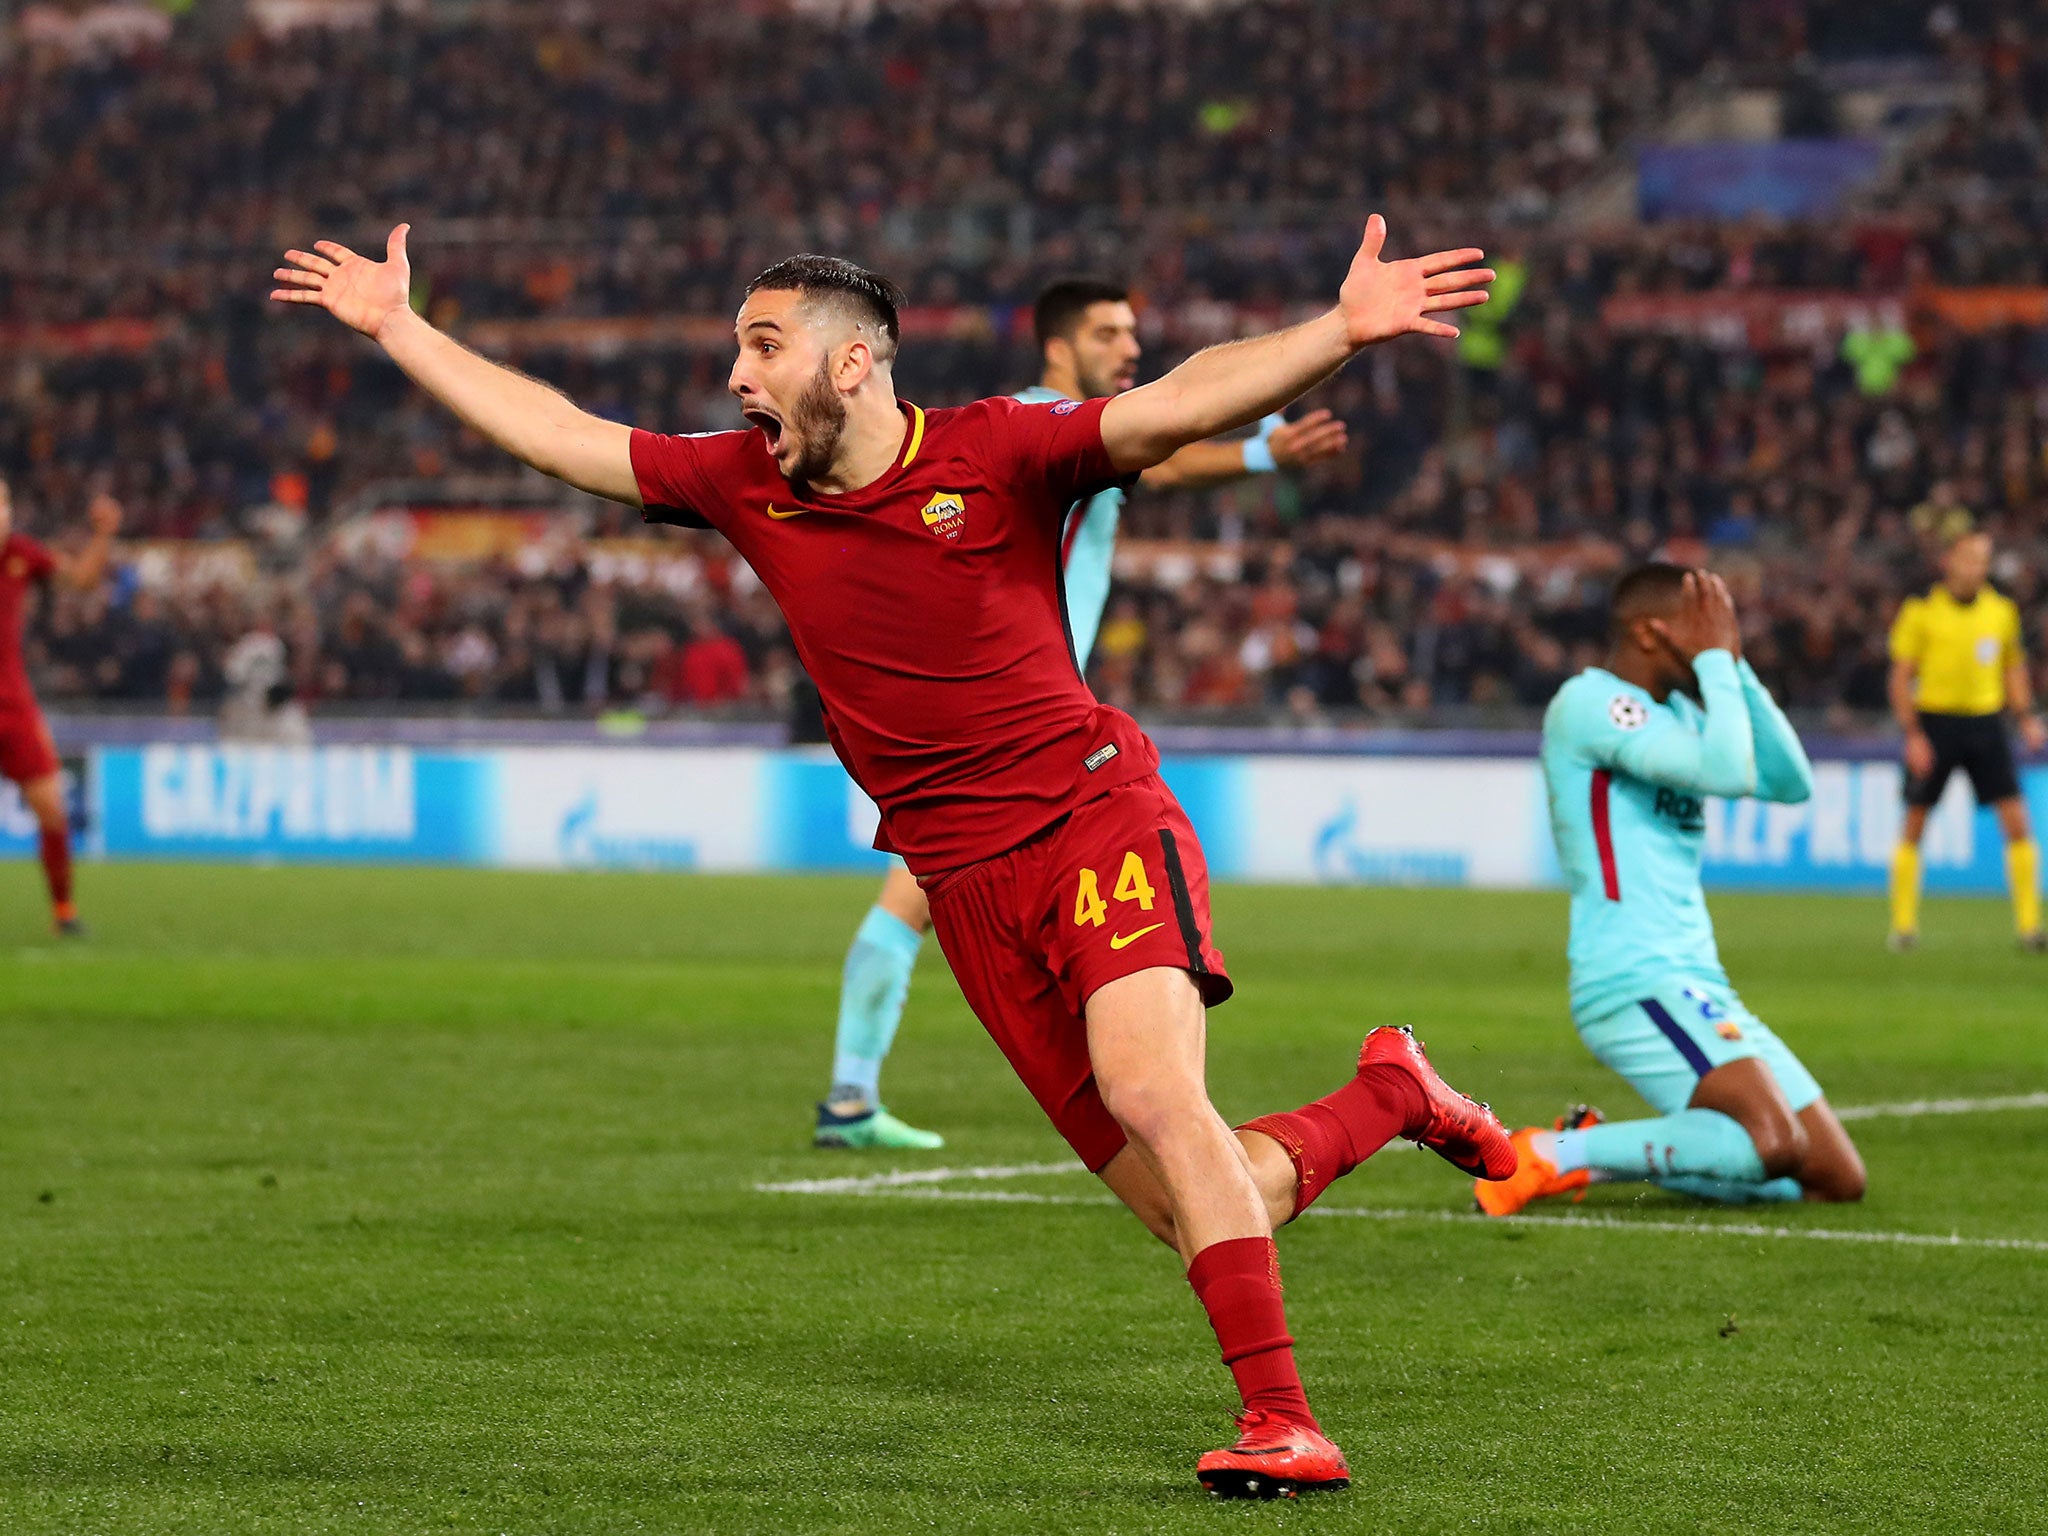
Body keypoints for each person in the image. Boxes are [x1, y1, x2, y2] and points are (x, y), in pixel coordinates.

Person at [273, 216, 1511, 1497]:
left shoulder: (996, 449)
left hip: (1090, 817)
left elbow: (1170, 404)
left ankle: (1282, 1422)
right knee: (1190, 1198)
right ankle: (1392, 1095)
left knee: (1152, 1091)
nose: (739, 378)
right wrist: (398, 327)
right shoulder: (738, 482)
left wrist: (1338, 331)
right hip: (961, 884)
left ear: (853, 362)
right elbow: (568, 438)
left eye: (763, 347)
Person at [817, 276, 1347, 1151]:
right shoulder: (1031, 421)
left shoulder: (1064, 433)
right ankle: (849, 1097)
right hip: (994, 727)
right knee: (913, 900)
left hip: (1012, 722)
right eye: (1110, 334)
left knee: (913, 900)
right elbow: (1164, 449)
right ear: (1060, 346)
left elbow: (1155, 459)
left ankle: (852, 1096)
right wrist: (1262, 456)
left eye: (1134, 333)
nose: (1130, 349)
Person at [1480, 565, 1866, 1216]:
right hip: (1634, 976)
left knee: (1833, 1176)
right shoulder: (1591, 703)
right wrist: (1716, 664)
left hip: (1697, 981)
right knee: (1771, 1144)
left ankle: (1596, 1148)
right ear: (1649, 633)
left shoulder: (1681, 709)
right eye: (1705, 630)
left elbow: (1790, 781)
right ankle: (1551, 1154)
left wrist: (1733, 667)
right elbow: (1725, 769)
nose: (1720, 641)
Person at [1885, 530, 2046, 952]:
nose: (1978, 567)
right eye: (1970, 558)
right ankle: (1903, 927)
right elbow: (1900, 677)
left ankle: (2030, 928)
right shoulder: (1922, 611)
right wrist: (1913, 734)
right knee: (1915, 823)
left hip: (1986, 723)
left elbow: (2013, 667)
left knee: (2017, 823)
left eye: (1983, 559)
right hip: (1935, 723)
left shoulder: (2001, 611)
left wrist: (2026, 718)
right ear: (1949, 562)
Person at [0, 480, 120, 935]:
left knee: (51, 808)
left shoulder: (21, 554)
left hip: (12, 704)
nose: (1, 513)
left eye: (4, 503)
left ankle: (64, 911)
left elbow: (81, 580)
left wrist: (104, 533)